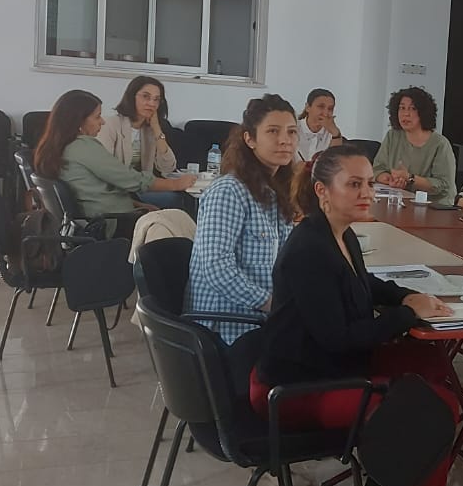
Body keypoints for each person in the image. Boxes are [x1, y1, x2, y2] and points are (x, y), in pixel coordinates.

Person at [251, 146, 463, 486]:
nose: (367, 192)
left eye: (369, 182)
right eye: (354, 184)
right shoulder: (309, 249)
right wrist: (407, 315)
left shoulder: (340, 233)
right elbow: (339, 339)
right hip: (297, 387)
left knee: (431, 363)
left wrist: (408, 296)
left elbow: (363, 284)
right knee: (436, 406)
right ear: (323, 191)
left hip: (329, 364)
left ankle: (394, 465)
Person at [187, 95, 299, 347]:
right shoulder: (229, 191)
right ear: (250, 139)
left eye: (292, 132)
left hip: (263, 318)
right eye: (273, 131)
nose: (285, 140)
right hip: (231, 327)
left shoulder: (275, 190)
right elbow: (217, 268)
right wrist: (274, 304)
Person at [34, 88, 194, 229]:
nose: (102, 122)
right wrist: (176, 184)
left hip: (106, 216)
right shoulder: (83, 146)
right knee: (180, 222)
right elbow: (128, 178)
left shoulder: (60, 146)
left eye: (156, 99)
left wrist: (137, 205)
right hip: (111, 223)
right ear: (79, 121)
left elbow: (96, 188)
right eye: (97, 117)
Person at [94, 76, 181, 210]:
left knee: (181, 196)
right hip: (117, 190)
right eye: (146, 97)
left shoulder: (150, 130)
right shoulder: (110, 125)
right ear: (131, 97)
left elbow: (167, 168)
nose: (151, 103)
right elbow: (105, 171)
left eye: (156, 99)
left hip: (139, 188)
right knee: (174, 199)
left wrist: (157, 129)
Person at [373, 86, 456, 205]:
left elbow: (443, 185)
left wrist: (410, 178)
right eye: (402, 108)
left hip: (434, 207)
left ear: (423, 113)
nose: (406, 114)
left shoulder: (440, 144)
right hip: (400, 202)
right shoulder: (392, 136)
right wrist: (390, 179)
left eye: (412, 109)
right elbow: (378, 169)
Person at [295, 88, 343, 164]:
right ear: (307, 107)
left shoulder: (333, 135)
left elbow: (333, 164)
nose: (325, 113)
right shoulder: (294, 128)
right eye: (321, 107)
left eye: (330, 109)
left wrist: (335, 133)